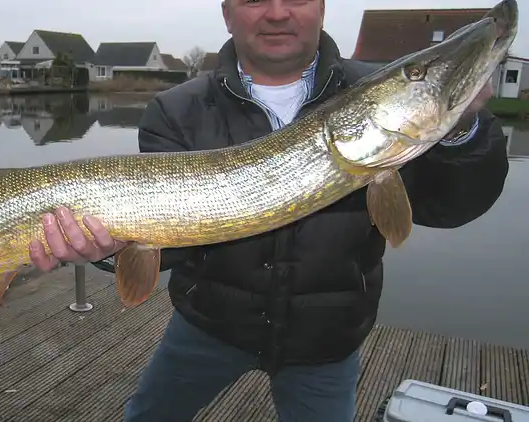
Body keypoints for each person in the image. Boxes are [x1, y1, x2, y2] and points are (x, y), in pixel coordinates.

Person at [28, 0, 509, 420]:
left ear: (322, 6)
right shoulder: (176, 109)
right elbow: (164, 244)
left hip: (327, 339)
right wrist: (108, 247)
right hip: (208, 324)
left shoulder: (367, 90)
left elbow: (452, 206)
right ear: (227, 13)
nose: (277, 12)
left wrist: (460, 128)